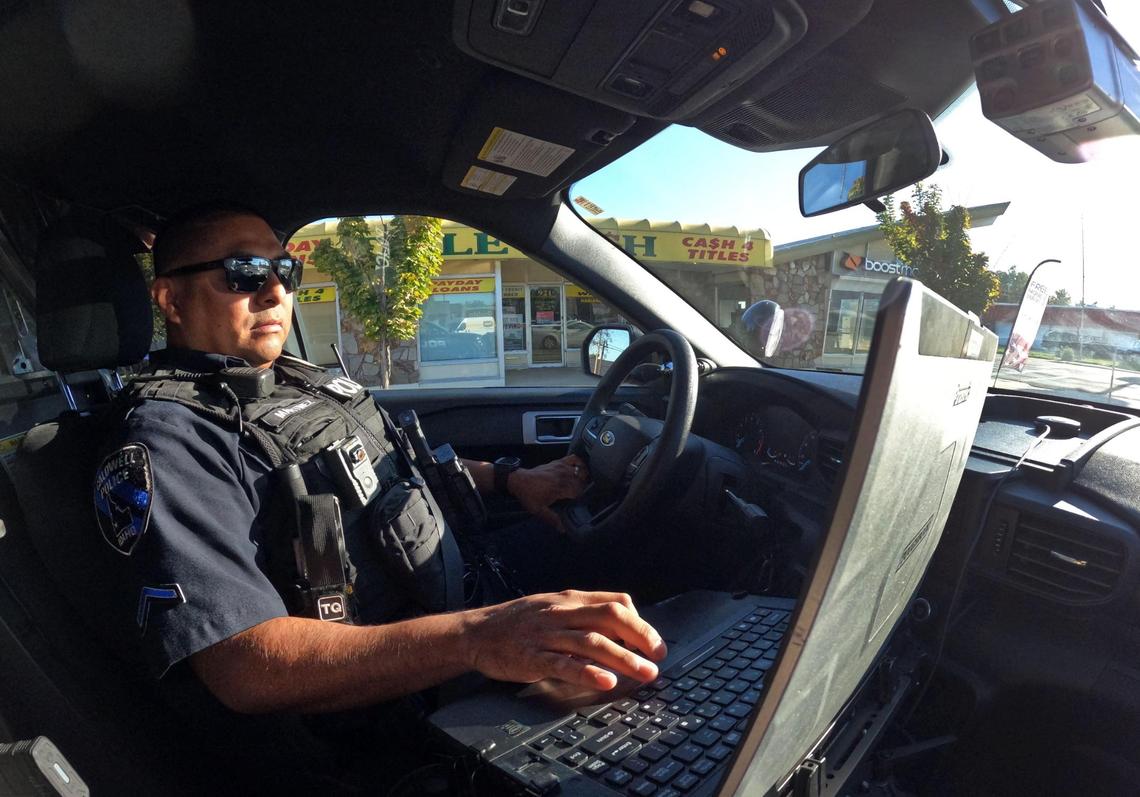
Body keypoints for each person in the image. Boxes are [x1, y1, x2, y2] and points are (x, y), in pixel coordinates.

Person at [91, 206, 666, 789]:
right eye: (242, 271)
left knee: (643, 567)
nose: (272, 291)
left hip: (460, 598)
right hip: (399, 719)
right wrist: (477, 638)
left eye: (283, 269)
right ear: (169, 300)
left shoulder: (297, 380)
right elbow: (245, 665)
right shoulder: (169, 439)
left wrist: (511, 480)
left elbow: (389, 468)